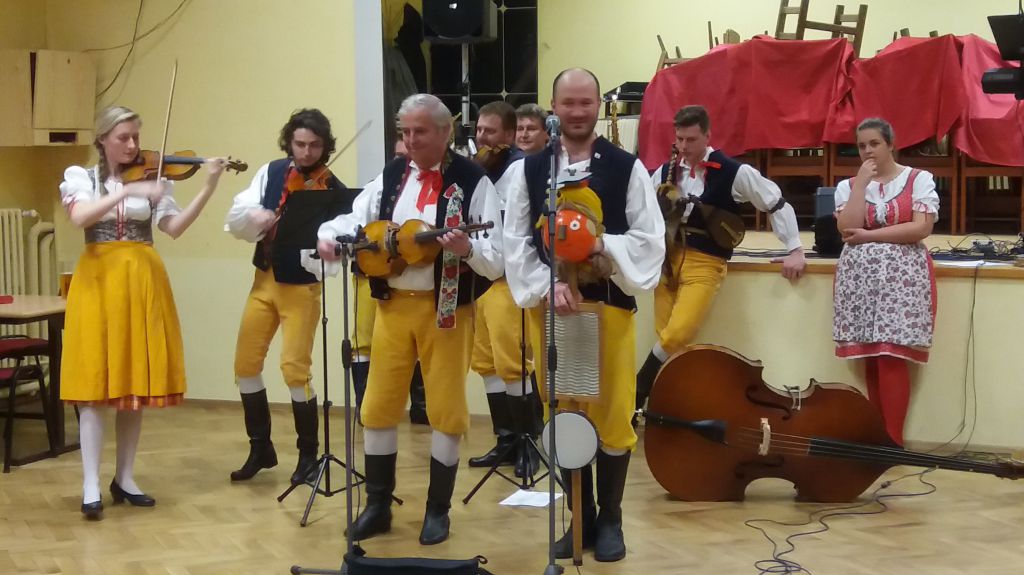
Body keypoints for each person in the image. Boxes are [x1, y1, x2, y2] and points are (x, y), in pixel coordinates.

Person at [318, 93, 504, 545]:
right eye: (405, 131)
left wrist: (467, 248)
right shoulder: (392, 174)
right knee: (378, 405)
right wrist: (332, 238)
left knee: (445, 408)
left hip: (446, 310)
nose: (410, 140)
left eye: (420, 131)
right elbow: (358, 219)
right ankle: (377, 505)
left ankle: (438, 511)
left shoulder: (473, 180)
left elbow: (495, 258)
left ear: (445, 131)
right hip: (391, 306)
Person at [504, 68, 665, 562]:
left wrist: (599, 245)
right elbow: (515, 242)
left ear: (599, 106)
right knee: (564, 415)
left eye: (586, 102)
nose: (577, 112)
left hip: (607, 309)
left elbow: (649, 239)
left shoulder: (626, 167)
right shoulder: (531, 170)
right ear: (553, 106)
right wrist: (547, 284)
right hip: (554, 313)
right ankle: (581, 517)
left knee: (613, 416)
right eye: (568, 103)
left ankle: (612, 519)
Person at [60, 105, 227, 519]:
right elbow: (80, 217)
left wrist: (208, 186)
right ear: (102, 139)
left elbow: (174, 228)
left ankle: (125, 477)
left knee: (132, 384)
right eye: (123, 137)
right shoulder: (82, 177)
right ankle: (89, 483)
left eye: (136, 136)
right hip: (98, 281)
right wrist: (125, 192)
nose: (133, 145)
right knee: (94, 386)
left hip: (141, 278)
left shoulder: (155, 179)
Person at [634, 105, 806, 415]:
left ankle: (639, 387)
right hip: (667, 261)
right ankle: (670, 412)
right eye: (679, 140)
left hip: (705, 261)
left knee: (677, 334)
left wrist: (795, 248)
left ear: (707, 136)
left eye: (691, 140)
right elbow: (641, 208)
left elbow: (775, 202)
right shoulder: (665, 171)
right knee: (668, 342)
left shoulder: (733, 172)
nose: (684, 147)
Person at [225, 109, 348, 485]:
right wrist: (257, 217)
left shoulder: (332, 188)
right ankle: (260, 447)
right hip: (263, 281)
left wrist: (324, 244)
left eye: (314, 145)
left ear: (325, 147)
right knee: (245, 365)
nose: (306, 152)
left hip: (301, 287)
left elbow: (339, 241)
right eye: (300, 144)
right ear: (289, 142)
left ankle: (308, 455)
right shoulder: (272, 171)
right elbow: (239, 213)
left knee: (295, 369)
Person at [833, 117, 938, 446]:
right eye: (861, 146)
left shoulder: (918, 179)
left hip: (902, 278)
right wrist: (861, 185)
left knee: (891, 354)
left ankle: (894, 441)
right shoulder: (849, 187)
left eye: (874, 143)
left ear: (891, 144)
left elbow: (920, 228)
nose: (867, 151)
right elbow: (847, 229)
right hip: (860, 278)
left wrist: (869, 236)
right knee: (871, 354)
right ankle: (877, 439)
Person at [466, 101, 541, 478]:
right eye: (479, 130)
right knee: (485, 362)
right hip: (479, 278)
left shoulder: (519, 170)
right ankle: (506, 440)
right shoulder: (481, 169)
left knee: (512, 363)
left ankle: (529, 443)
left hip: (508, 279)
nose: (482, 137)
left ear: (509, 135)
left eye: (490, 131)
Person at [351, 136, 428, 426]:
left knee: (414, 342)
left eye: (409, 153)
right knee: (362, 341)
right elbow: (357, 221)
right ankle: (364, 407)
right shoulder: (381, 185)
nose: (404, 159)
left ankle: (420, 407)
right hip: (370, 272)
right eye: (398, 154)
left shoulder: (428, 190)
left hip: (408, 280)